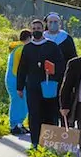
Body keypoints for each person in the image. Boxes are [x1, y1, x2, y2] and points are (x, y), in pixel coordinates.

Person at [17, 18, 66, 146]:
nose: (36, 31)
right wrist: (19, 87)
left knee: (50, 114)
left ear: (43, 29)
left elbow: (61, 65)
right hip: (32, 87)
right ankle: (35, 142)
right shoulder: (27, 48)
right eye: (34, 29)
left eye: (38, 28)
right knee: (34, 114)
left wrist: (53, 70)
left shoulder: (52, 46)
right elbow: (22, 68)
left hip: (49, 86)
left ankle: (50, 143)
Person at [5, 29, 31, 135]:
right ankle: (14, 125)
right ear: (29, 38)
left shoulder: (16, 48)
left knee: (22, 102)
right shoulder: (21, 49)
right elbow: (18, 69)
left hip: (13, 79)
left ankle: (19, 124)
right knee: (17, 102)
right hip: (16, 79)